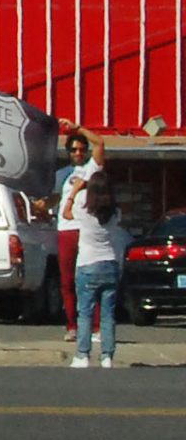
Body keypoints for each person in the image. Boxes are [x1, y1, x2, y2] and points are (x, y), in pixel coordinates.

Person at [72, 175, 131, 369]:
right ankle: (107, 356)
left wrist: (75, 190)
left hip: (88, 263)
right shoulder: (115, 213)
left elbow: (65, 213)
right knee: (107, 314)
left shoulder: (83, 205)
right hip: (110, 263)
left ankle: (82, 355)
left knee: (85, 313)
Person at [55, 130, 101, 342]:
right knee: (67, 281)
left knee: (91, 278)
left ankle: (96, 326)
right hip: (66, 229)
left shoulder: (92, 170)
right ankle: (72, 326)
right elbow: (51, 200)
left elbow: (100, 143)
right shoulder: (62, 174)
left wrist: (77, 127)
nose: (78, 153)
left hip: (86, 229)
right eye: (74, 149)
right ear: (68, 152)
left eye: (82, 150)